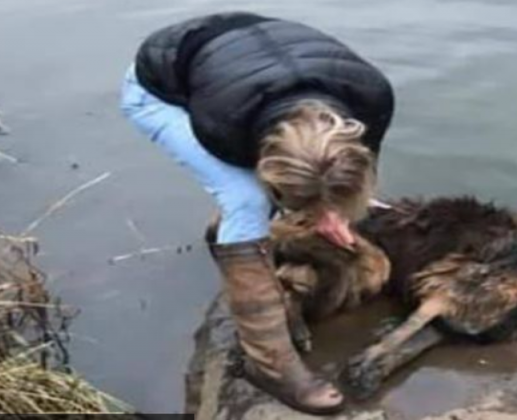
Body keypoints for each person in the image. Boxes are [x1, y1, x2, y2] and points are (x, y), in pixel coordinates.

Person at [119, 11, 394, 415]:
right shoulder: (223, 124)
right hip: (158, 89)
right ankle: (268, 365)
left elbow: (356, 169)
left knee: (271, 199)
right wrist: (283, 209)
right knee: (245, 198)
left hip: (248, 65)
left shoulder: (372, 98)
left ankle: (224, 235)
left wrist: (331, 211)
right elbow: (255, 177)